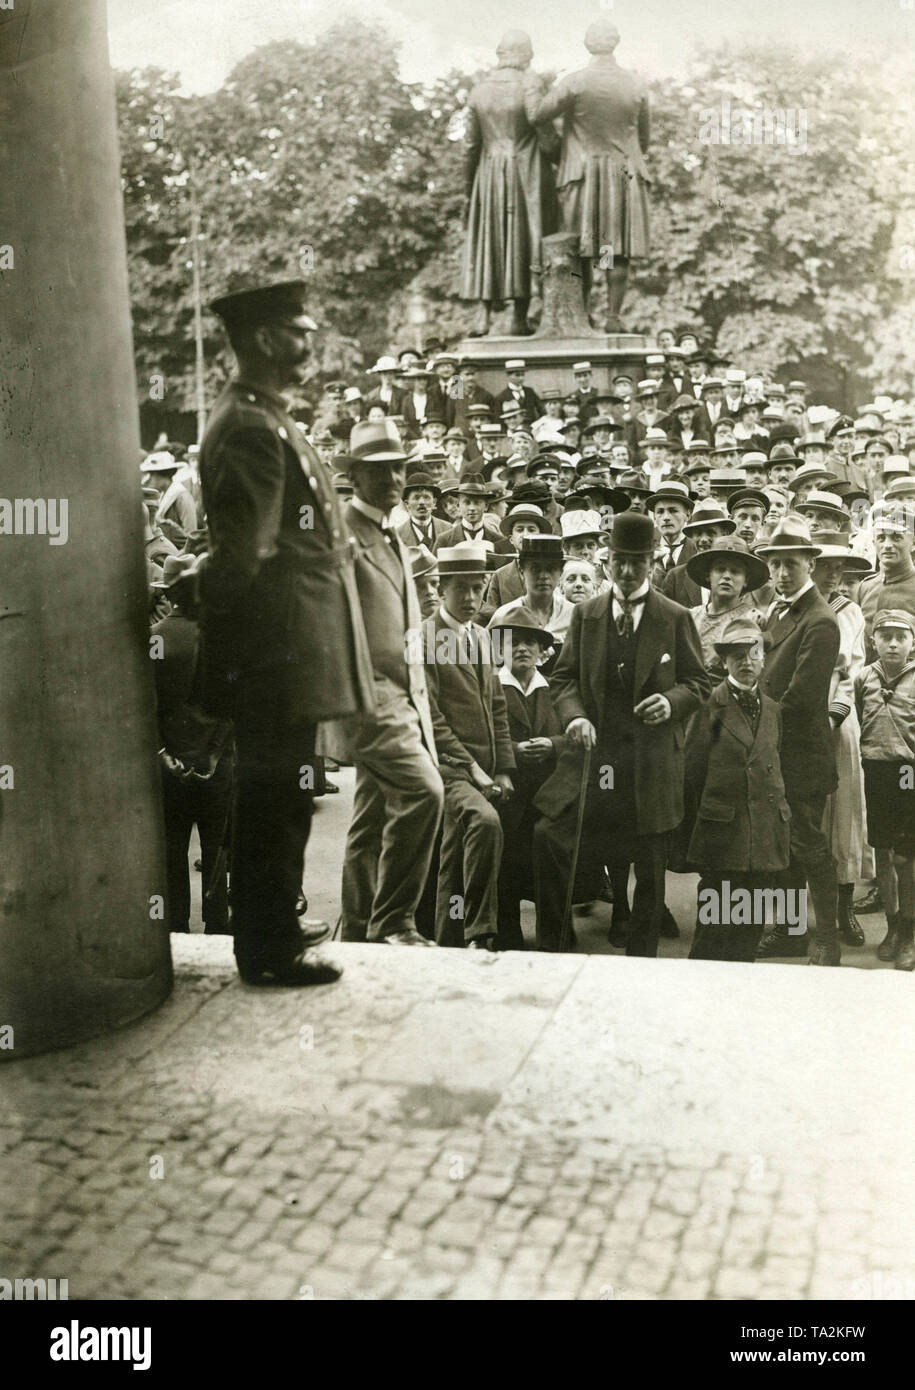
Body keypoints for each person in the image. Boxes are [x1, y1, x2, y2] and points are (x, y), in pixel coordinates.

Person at [199, 278, 374, 986]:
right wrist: (195, 589)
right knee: (274, 795)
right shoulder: (247, 425)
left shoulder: (262, 416)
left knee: (284, 791)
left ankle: (272, 918)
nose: (309, 341)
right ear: (267, 339)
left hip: (288, 644)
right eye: (299, 330)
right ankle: (266, 948)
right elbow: (243, 556)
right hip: (276, 649)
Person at [532, 510, 709, 954]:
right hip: (600, 762)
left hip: (653, 763)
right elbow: (564, 678)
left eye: (638, 561)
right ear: (606, 561)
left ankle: (642, 957)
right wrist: (574, 717)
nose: (628, 572)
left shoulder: (674, 617)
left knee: (651, 868)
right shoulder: (587, 615)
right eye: (619, 561)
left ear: (652, 562)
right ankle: (569, 944)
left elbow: (699, 683)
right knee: (578, 842)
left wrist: (671, 702)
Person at [339, 421, 444, 947]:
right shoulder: (340, 533)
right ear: (354, 475)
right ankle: (394, 922)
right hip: (370, 696)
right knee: (425, 792)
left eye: (399, 467)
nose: (395, 478)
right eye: (380, 470)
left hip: (406, 694)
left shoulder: (391, 532)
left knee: (372, 814)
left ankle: (357, 928)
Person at [525, 19, 650, 331]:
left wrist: (531, 87)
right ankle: (613, 317)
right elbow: (644, 137)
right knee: (613, 248)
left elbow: (537, 114)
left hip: (582, 174)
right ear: (615, 43)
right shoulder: (636, 84)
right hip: (623, 173)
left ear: (587, 44)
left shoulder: (574, 82)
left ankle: (584, 314)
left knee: (583, 246)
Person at [755, 518, 842, 965]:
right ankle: (791, 933)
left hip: (801, 754)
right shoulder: (783, 610)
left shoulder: (820, 620)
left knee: (809, 847)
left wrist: (754, 724)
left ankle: (827, 938)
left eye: (791, 563)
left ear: (811, 562)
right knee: (785, 848)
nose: (783, 572)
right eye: (775, 564)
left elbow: (802, 699)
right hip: (776, 749)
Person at [422, 544, 516, 949]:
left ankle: (449, 943)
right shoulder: (423, 638)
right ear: (441, 588)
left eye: (478, 588)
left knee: (454, 858)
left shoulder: (481, 635)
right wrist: (473, 769)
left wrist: (503, 769)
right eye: (460, 588)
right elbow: (431, 719)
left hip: (485, 768)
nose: (470, 598)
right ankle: (481, 933)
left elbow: (497, 707)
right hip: (448, 770)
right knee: (484, 823)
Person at [684, 616, 791, 962]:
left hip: (764, 834)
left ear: (764, 657)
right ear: (724, 660)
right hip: (722, 834)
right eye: (737, 655)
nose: (747, 662)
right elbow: (692, 772)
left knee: (751, 927)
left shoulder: (773, 710)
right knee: (714, 926)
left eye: (753, 653)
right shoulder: (707, 707)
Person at [151, 553, 234, 937]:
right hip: (216, 765)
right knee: (217, 849)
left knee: (173, 853)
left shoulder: (153, 640)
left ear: (167, 594)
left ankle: (177, 928)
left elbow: (142, 707)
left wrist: (164, 754)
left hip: (171, 769)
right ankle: (217, 925)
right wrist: (214, 755)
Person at [461, 30, 558, 337]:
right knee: (526, 240)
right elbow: (545, 137)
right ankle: (519, 316)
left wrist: (469, 187)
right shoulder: (531, 83)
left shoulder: (478, 91)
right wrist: (561, 152)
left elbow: (470, 145)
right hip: (527, 170)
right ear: (526, 55)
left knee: (489, 239)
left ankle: (483, 315)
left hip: (488, 173)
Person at [490, 608, 564, 950]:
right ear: (501, 650)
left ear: (542, 651)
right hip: (508, 793)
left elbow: (572, 735)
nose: (522, 649)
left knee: (548, 865)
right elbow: (482, 733)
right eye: (513, 642)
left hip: (548, 794)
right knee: (506, 866)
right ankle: (508, 934)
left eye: (530, 643)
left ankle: (555, 934)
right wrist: (513, 751)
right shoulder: (492, 686)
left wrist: (552, 745)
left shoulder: (554, 689)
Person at [812, 534, 871, 947]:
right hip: (797, 721)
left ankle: (843, 908)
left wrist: (831, 716)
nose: (833, 575)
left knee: (844, 812)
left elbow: (848, 670)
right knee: (801, 818)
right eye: (825, 565)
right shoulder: (784, 608)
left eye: (839, 568)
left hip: (838, 717)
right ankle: (794, 919)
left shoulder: (847, 611)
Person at [855, 610, 915, 971]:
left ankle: (909, 930)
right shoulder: (864, 678)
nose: (892, 644)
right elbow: (859, 716)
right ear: (873, 641)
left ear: (912, 642)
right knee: (881, 851)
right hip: (875, 769)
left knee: (906, 857)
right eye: (885, 636)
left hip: (909, 772)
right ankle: (892, 927)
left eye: (901, 637)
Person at [685, 536, 768, 678]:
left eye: (735, 571)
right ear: (708, 575)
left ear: (746, 580)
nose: (727, 576)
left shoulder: (754, 619)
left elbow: (756, 672)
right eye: (720, 569)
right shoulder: (690, 616)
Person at [490, 533, 574, 647]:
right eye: (536, 569)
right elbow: (491, 660)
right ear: (521, 570)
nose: (544, 576)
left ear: (560, 572)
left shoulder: (573, 615)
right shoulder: (503, 616)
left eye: (551, 569)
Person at [396, 472, 451, 550]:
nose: (421, 502)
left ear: (434, 502)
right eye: (416, 498)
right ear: (407, 503)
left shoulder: (448, 529)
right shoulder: (398, 535)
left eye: (426, 497)